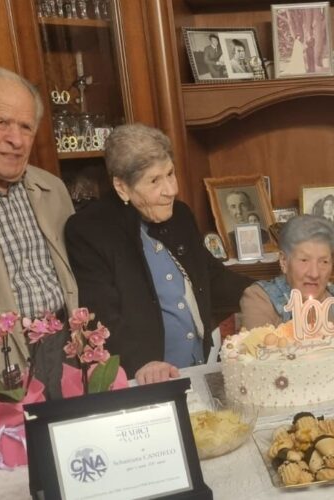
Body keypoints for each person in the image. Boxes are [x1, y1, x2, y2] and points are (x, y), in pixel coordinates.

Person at [0, 66, 78, 460]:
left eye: (26, 126)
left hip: (65, 363)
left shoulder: (51, 189)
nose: (16, 140)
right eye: (2, 122)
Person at [64, 124, 253, 383]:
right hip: (143, 378)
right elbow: (101, 313)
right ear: (121, 186)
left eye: (170, 174)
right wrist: (141, 362)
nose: (171, 189)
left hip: (198, 366)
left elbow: (207, 272)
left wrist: (253, 291)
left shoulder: (180, 214)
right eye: (154, 180)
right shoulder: (90, 230)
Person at [240, 215, 334, 353]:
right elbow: (261, 356)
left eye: (324, 261)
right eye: (304, 260)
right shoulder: (260, 298)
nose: (314, 273)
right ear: (284, 261)